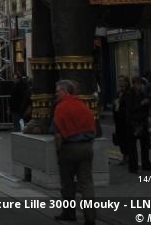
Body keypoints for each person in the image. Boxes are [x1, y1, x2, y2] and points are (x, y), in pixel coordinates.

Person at [52, 80, 96, 225]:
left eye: (58, 91)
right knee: (86, 183)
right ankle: (90, 218)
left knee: (67, 183)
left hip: (69, 148)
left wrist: (58, 150)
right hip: (86, 146)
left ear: (65, 92)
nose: (56, 94)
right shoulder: (83, 106)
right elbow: (93, 128)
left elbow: (58, 134)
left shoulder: (61, 108)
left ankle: (69, 213)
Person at [126, 76, 151, 173]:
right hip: (133, 123)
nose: (139, 86)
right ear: (133, 84)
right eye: (137, 84)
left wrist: (148, 115)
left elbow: (147, 107)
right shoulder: (129, 94)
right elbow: (130, 109)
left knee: (145, 145)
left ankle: (146, 164)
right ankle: (133, 166)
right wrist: (142, 103)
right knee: (132, 146)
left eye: (140, 84)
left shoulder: (142, 93)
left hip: (142, 121)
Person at [112, 75, 130, 165]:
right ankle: (124, 155)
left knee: (127, 138)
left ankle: (128, 156)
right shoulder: (118, 93)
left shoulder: (128, 93)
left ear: (126, 82)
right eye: (119, 81)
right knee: (121, 138)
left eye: (122, 81)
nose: (120, 83)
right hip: (118, 119)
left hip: (125, 119)